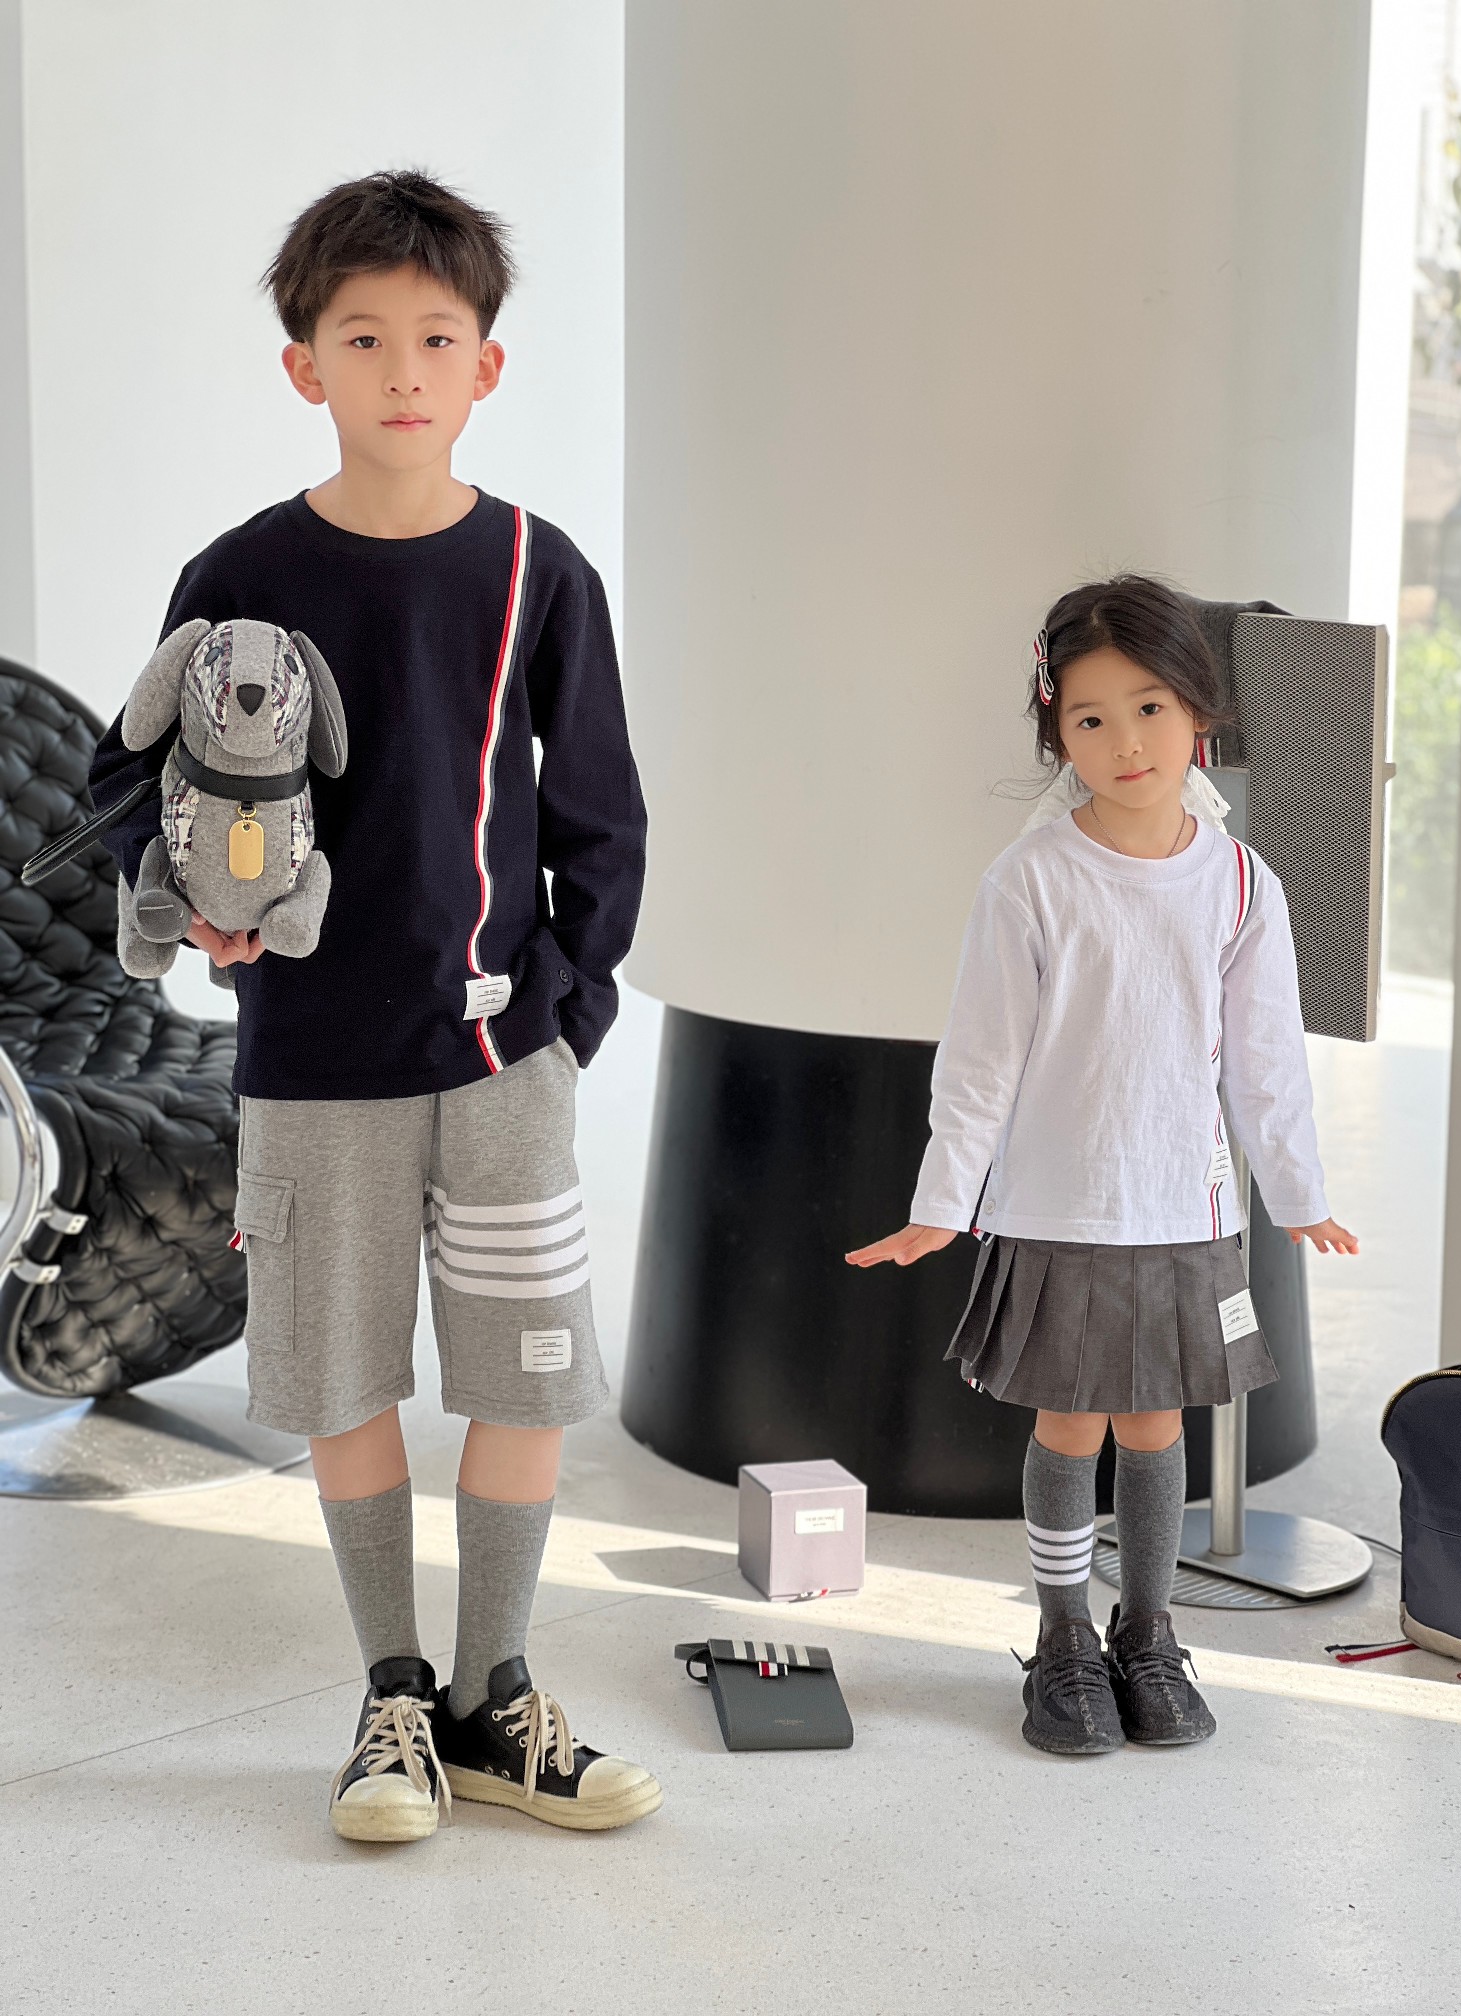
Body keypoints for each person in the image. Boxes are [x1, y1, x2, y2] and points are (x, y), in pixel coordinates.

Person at [89, 171, 661, 1840]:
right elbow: (131, 777)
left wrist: (566, 1012)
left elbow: (601, 813)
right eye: (362, 338)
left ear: (487, 364)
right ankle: (393, 1699)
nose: (401, 368)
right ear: (304, 366)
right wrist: (193, 903)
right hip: (313, 1064)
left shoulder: (540, 570)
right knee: (344, 1382)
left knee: (521, 1379)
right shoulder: (241, 569)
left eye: (435, 336)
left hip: (501, 1059)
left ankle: (495, 1698)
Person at [846, 575, 1358, 1757]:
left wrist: (1300, 1194)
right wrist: (942, 1203)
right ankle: (1065, 1637)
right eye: (1090, 718)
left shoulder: (1244, 883)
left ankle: (1148, 1632)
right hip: (1061, 1206)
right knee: (1072, 1426)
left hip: (1184, 1208)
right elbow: (980, 1062)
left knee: (1157, 1426)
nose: (1126, 743)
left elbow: (1267, 1061)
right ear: (1057, 733)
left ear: (1201, 713)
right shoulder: (1029, 880)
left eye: (1150, 708)